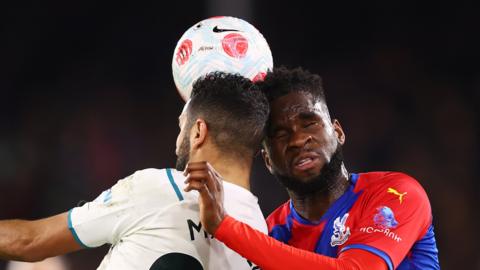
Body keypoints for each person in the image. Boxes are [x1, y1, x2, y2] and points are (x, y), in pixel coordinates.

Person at [0, 72, 270, 269]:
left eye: (182, 128)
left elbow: (30, 242)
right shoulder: (262, 232)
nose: (177, 143)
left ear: (198, 131)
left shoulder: (159, 188)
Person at [185, 67, 440, 270]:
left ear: (338, 132)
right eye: (281, 134)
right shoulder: (271, 235)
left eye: (309, 124)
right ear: (267, 160)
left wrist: (225, 227)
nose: (297, 140)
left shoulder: (395, 194)